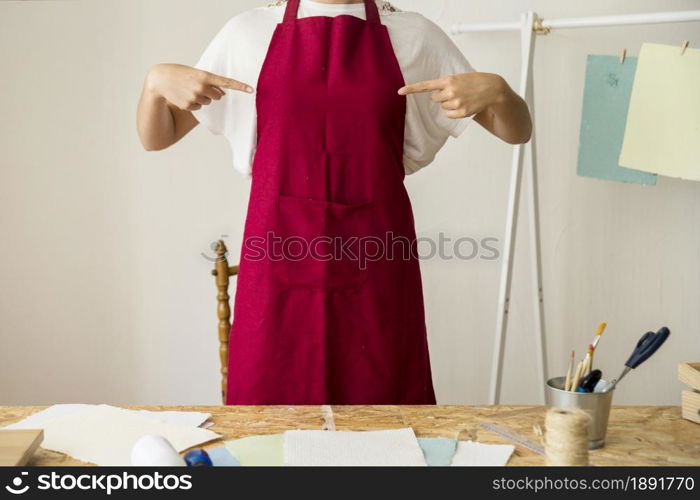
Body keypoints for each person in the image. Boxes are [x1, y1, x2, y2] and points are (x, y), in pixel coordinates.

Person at [136, 0, 531, 405]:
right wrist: (153, 86)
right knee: (269, 418)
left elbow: (516, 132)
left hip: (377, 264)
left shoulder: (414, 36)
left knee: (384, 411)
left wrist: (500, 94)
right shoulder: (247, 33)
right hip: (277, 260)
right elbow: (158, 137)